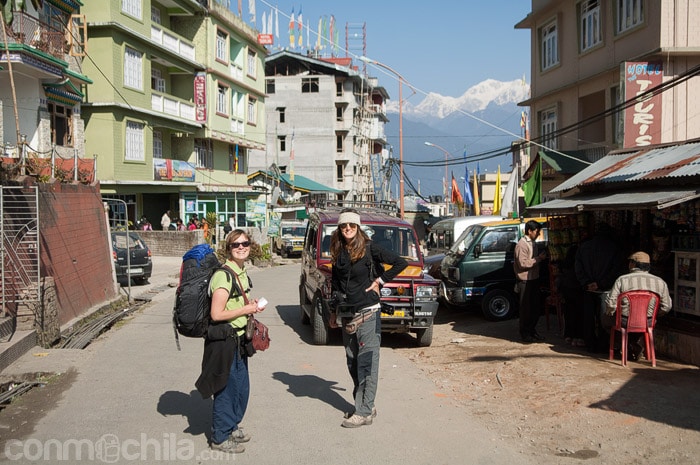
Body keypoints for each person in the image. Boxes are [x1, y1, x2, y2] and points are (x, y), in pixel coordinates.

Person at [327, 209, 407, 428]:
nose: (348, 229)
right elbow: (335, 283)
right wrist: (333, 312)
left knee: (367, 363)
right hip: (347, 315)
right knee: (353, 362)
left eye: (352, 226)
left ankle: (363, 411)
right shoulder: (338, 250)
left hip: (369, 313)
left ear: (358, 227)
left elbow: (400, 263)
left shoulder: (370, 248)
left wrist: (380, 281)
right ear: (340, 229)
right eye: (344, 226)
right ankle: (365, 404)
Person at [195, 230, 266, 454]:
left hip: (238, 340)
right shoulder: (223, 276)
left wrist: (249, 305)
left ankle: (232, 425)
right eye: (236, 245)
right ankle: (220, 436)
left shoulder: (240, 272)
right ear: (229, 249)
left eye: (245, 243)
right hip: (224, 340)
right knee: (225, 389)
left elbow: (235, 303)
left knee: (240, 388)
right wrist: (247, 309)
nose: (241, 247)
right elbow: (216, 313)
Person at [605, 251, 672, 361]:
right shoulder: (660, 282)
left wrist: (610, 312)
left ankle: (629, 346)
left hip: (624, 321)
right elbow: (666, 306)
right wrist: (654, 315)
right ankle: (632, 346)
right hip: (648, 321)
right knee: (636, 326)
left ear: (632, 264)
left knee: (609, 322)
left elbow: (611, 303)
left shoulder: (622, 280)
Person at [575, 223, 626, 352]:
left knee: (589, 317)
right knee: (605, 317)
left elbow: (578, 268)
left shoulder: (584, 247)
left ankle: (590, 343)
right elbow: (616, 271)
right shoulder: (614, 248)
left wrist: (587, 283)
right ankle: (603, 344)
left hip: (589, 289)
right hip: (605, 289)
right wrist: (600, 284)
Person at [514, 219, 547, 343]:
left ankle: (532, 331)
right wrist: (538, 259)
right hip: (525, 280)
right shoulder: (522, 245)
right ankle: (525, 333)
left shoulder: (533, 243)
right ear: (529, 231)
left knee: (535, 308)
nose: (538, 234)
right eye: (536, 231)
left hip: (533, 279)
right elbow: (522, 264)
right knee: (526, 308)